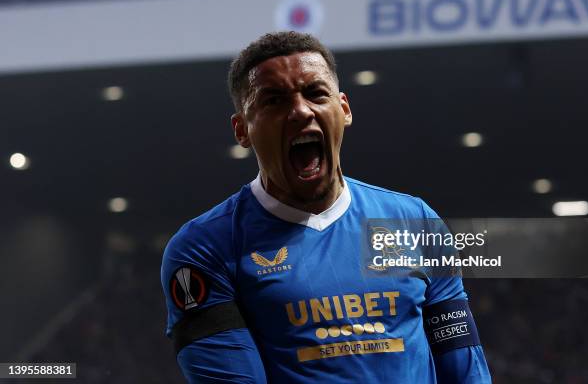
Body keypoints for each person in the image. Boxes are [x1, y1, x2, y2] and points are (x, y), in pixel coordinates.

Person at [161, 31, 491, 383]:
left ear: (344, 109)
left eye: (316, 93)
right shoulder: (204, 249)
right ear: (242, 129)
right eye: (274, 101)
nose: (301, 111)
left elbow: (465, 369)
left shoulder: (415, 221)